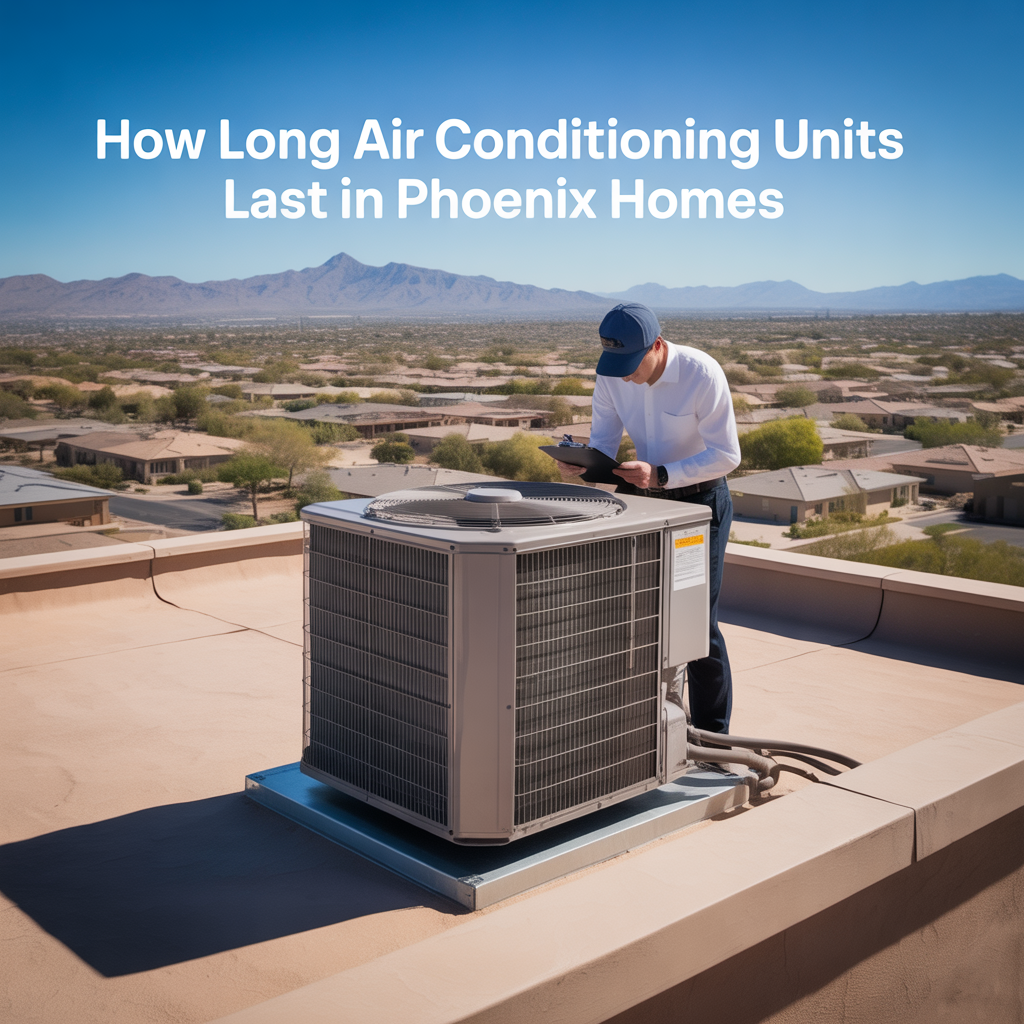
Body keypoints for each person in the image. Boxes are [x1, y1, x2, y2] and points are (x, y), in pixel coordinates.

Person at [556, 302, 740, 734]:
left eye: (631, 364)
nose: (623, 375)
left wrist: (661, 474)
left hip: (699, 504)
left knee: (696, 624)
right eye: (614, 364)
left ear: (657, 346)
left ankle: (713, 738)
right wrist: (581, 465)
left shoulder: (702, 373)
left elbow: (727, 455)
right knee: (623, 613)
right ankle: (631, 727)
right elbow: (603, 443)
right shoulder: (611, 375)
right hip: (639, 497)